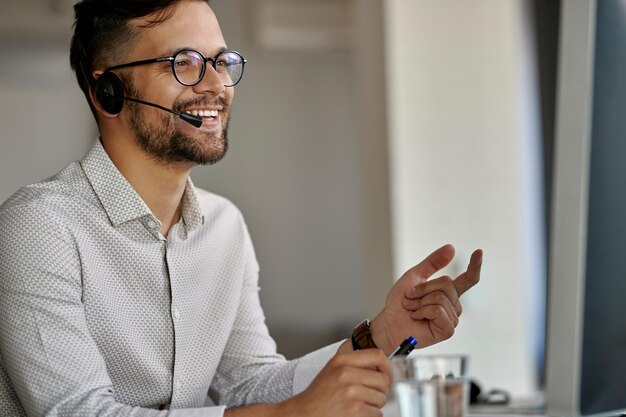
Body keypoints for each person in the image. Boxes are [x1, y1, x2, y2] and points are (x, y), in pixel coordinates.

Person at [0, 0, 483, 416]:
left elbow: (249, 385)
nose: (216, 86)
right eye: (184, 62)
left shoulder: (224, 227)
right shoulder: (38, 228)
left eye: (221, 61)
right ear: (108, 92)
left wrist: (379, 335)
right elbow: (77, 412)